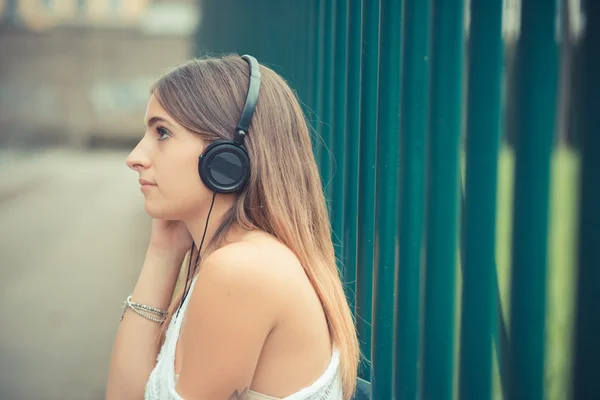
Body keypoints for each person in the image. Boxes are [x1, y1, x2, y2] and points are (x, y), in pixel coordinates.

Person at [105, 54, 359, 400]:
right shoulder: (232, 260)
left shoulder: (241, 271)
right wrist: (162, 253)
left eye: (162, 132)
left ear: (226, 158)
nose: (135, 157)